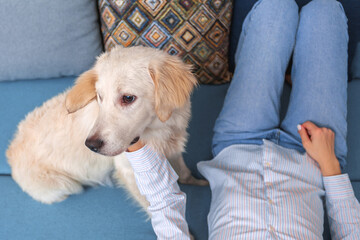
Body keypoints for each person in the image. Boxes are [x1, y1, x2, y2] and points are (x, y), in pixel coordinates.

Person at [126, 0, 360, 239]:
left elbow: (164, 206)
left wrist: (132, 140)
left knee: (277, 9)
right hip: (314, 158)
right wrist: (330, 165)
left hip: (238, 143)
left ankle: (285, 69)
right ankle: (293, 71)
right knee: (326, 11)